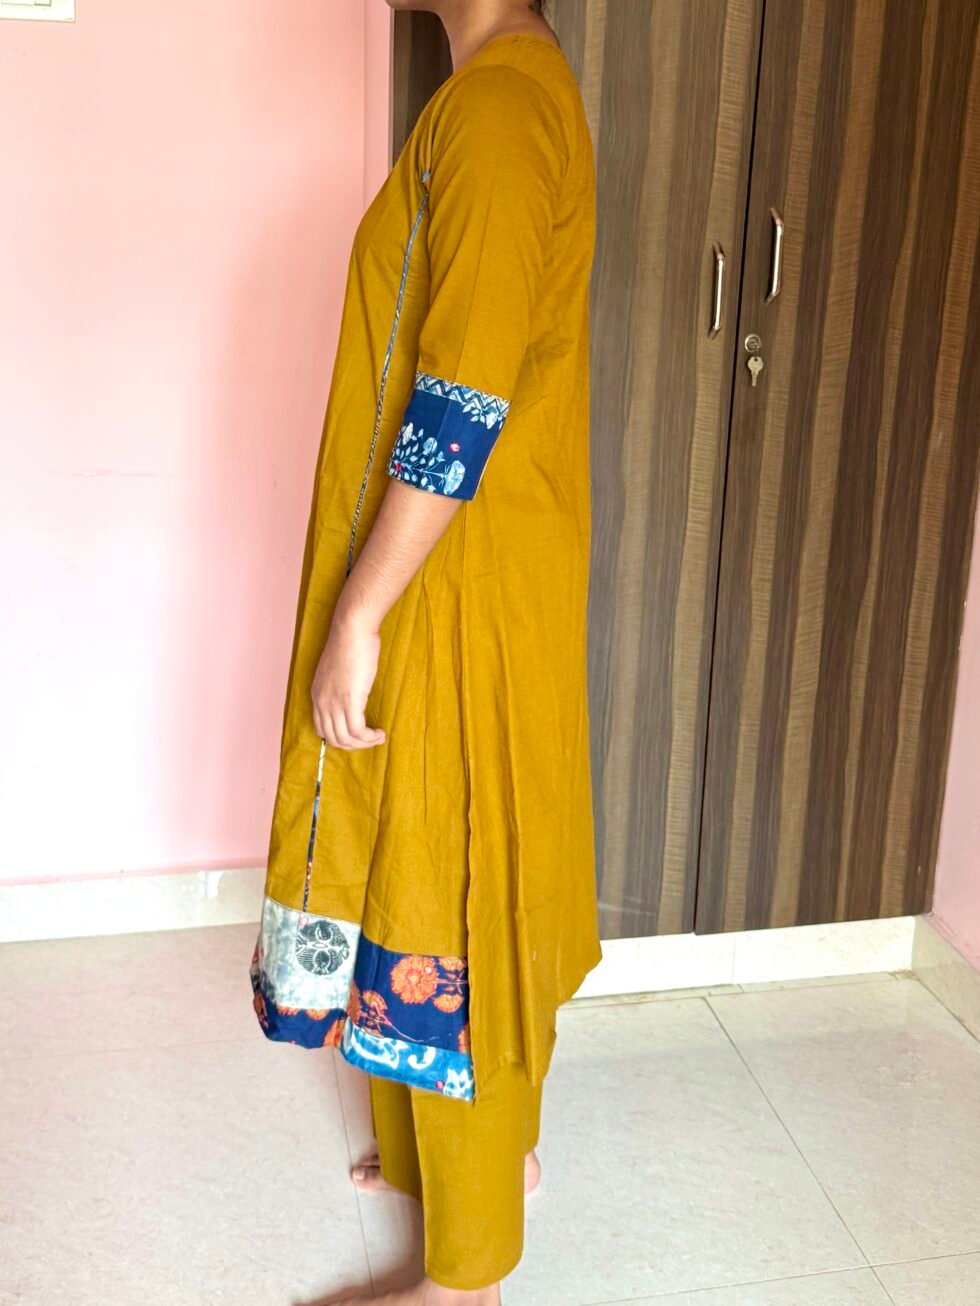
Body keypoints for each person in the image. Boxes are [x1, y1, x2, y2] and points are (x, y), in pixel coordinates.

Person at [248, 1, 600, 1300]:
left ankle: (468, 1271)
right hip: (460, 574)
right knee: (426, 865)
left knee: (450, 889)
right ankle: (446, 1163)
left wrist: (360, 614)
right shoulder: (495, 93)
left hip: (456, 590)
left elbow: (460, 407)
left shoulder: (500, 110)